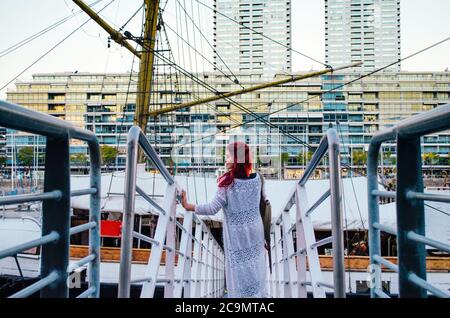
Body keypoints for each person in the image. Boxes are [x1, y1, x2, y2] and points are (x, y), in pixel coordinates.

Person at [180, 141, 267, 298]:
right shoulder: (258, 179)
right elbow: (262, 205)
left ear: (237, 159)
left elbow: (212, 208)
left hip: (237, 235)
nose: (225, 159)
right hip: (256, 231)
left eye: (228, 156)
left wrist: (188, 205)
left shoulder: (227, 183)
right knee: (255, 268)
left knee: (239, 271)